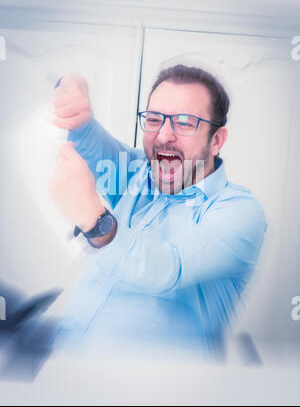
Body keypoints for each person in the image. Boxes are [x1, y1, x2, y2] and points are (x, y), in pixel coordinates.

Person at [49, 65, 267, 359]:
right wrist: (73, 86)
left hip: (160, 392)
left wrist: (95, 220)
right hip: (64, 365)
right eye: (153, 119)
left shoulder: (240, 212)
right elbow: (84, 131)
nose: (163, 135)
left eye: (185, 122)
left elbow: (168, 268)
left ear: (217, 140)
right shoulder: (135, 172)